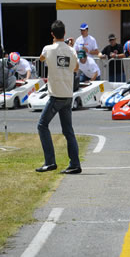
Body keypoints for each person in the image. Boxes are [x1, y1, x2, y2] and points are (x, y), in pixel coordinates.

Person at [36, 20, 80, 174]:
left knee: (42, 125)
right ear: (65, 33)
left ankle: (50, 162)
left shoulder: (48, 48)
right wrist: (68, 47)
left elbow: (41, 58)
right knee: (68, 131)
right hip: (68, 94)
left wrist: (56, 45)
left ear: (52, 34)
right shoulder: (71, 50)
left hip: (55, 95)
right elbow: (76, 67)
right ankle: (75, 163)